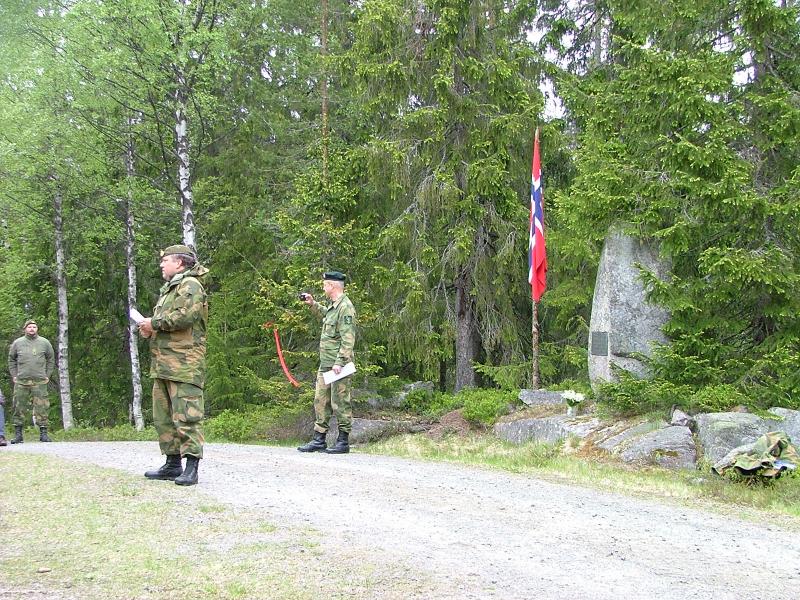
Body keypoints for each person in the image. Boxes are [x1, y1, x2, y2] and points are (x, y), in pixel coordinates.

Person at [138, 245, 209, 486]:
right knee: (164, 417)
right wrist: (150, 330)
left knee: (188, 416)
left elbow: (185, 316)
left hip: (184, 364)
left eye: (165, 260)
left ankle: (191, 467)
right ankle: (172, 464)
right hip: (163, 363)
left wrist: (154, 323)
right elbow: (169, 323)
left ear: (179, 263)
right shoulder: (171, 289)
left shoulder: (190, 285)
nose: (161, 264)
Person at [297, 270, 356, 454]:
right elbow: (327, 316)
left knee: (340, 402)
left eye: (324, 285)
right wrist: (313, 304)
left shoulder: (345, 307)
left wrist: (340, 362)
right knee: (321, 400)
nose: (323, 288)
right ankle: (319, 439)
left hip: (339, 365)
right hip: (326, 364)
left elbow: (348, 339)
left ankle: (343, 441)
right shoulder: (334, 306)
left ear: (332, 286)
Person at [8, 320, 55, 443]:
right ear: (25, 329)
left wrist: (47, 375)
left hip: (39, 381)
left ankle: (43, 434)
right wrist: (14, 375)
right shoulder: (18, 343)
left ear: (37, 329)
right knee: (18, 406)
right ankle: (18, 435)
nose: (32, 329)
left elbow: (51, 359)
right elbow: (11, 359)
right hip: (21, 381)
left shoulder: (44, 342)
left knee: (42, 407)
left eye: (34, 327)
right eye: (29, 327)